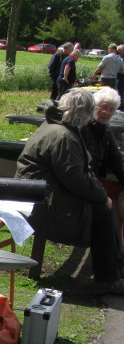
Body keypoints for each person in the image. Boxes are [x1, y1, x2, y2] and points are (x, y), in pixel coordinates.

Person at [15, 89, 124, 293]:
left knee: (103, 210)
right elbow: (75, 178)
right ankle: (107, 278)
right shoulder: (64, 135)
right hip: (43, 201)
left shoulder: (56, 126)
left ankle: (113, 270)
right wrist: (102, 196)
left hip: (41, 193)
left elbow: (77, 174)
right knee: (102, 214)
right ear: (85, 113)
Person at [80, 87, 124, 255]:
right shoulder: (83, 128)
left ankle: (118, 250)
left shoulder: (105, 132)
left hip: (97, 180)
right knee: (115, 200)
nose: (107, 112)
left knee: (121, 194)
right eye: (103, 107)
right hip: (87, 181)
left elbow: (117, 161)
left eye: (111, 109)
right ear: (94, 107)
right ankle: (118, 251)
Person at [117, 45, 124, 111]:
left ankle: (121, 107)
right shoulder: (120, 56)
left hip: (121, 77)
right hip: (120, 76)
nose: (119, 53)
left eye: (120, 51)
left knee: (120, 92)